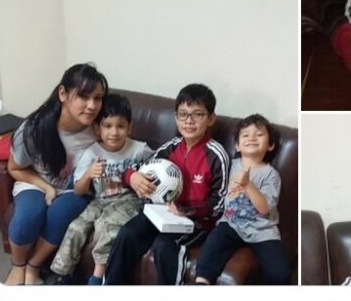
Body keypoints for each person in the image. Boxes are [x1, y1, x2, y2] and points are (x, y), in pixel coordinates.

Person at [104, 83, 230, 285]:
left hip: (194, 222)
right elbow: (135, 169)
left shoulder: (217, 155)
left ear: (211, 118)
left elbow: (220, 203)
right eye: (183, 114)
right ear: (175, 117)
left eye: (197, 114)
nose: (189, 121)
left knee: (164, 246)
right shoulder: (170, 148)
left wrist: (186, 210)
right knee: (128, 234)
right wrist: (132, 177)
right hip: (160, 212)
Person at [4, 63, 108, 285]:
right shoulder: (32, 129)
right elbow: (14, 168)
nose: (92, 106)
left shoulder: (100, 128)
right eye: (83, 96)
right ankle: (17, 265)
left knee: (60, 212)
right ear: (62, 93)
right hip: (35, 182)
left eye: (98, 98)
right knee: (27, 216)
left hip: (76, 188)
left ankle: (34, 266)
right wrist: (47, 187)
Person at [47, 94, 153, 285]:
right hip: (99, 201)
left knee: (107, 227)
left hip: (129, 202)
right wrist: (88, 174)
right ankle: (62, 274)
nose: (114, 132)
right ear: (97, 128)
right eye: (107, 126)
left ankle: (98, 277)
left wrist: (143, 178)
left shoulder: (140, 149)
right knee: (76, 227)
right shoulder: (92, 152)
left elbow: (157, 171)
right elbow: (79, 191)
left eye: (120, 126)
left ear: (130, 127)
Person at [194, 114, 291, 285]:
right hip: (231, 222)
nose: (252, 138)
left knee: (281, 273)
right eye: (245, 135)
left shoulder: (271, 174)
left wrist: (248, 185)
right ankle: (201, 283)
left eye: (259, 135)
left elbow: (264, 208)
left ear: (270, 145)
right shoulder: (230, 164)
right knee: (211, 248)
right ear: (237, 145)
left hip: (262, 229)